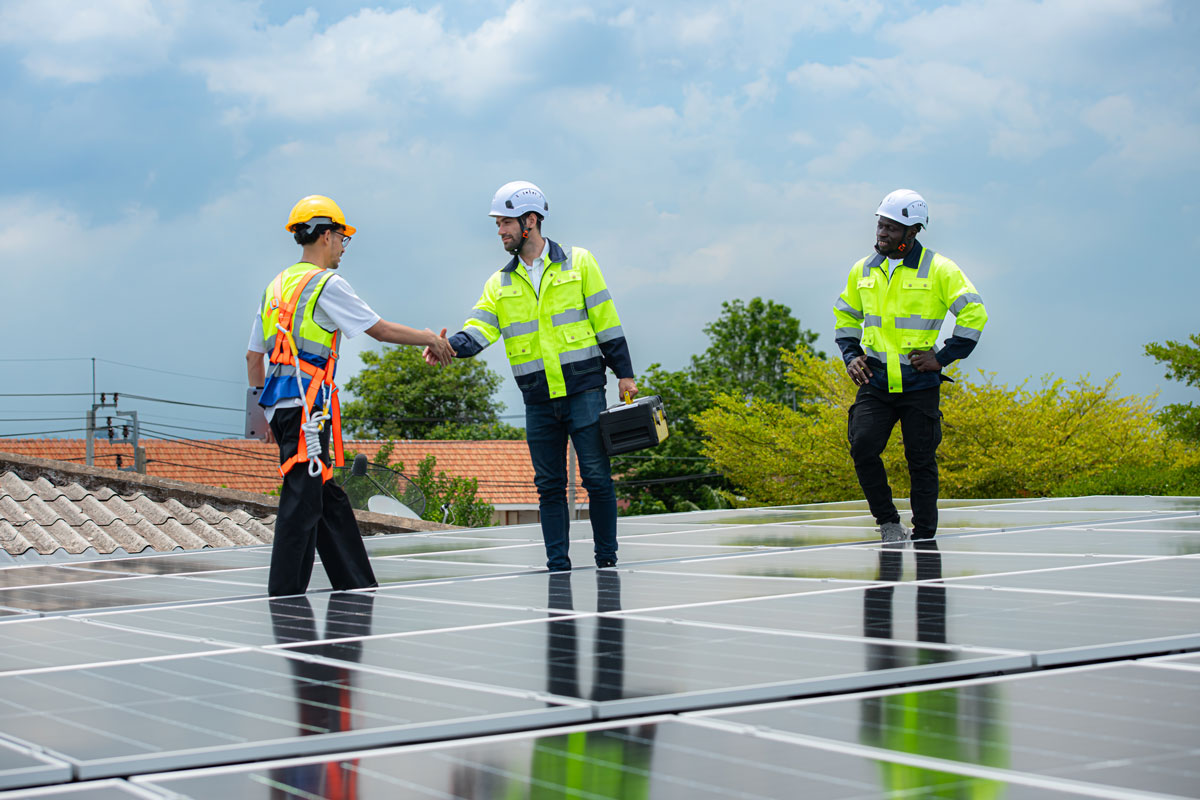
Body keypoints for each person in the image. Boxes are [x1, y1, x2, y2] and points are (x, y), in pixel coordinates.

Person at [247, 194, 455, 596]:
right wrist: (428, 337)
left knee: (325, 493)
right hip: (308, 410)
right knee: (301, 501)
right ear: (326, 235)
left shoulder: (275, 287)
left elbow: (254, 357)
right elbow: (379, 329)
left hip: (285, 407)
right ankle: (284, 597)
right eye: (342, 238)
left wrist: (262, 417)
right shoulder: (325, 283)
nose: (343, 247)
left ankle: (356, 583)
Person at [427, 181, 637, 571]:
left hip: (585, 390)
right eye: (498, 225)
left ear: (531, 220)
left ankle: (606, 560)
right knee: (549, 487)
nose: (501, 232)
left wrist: (624, 374)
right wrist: (448, 346)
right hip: (538, 400)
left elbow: (606, 320)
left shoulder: (579, 262)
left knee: (596, 477)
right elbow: (479, 329)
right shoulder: (500, 283)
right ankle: (558, 565)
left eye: (505, 223)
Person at [833, 190, 987, 542]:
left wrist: (943, 357)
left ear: (912, 232)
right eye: (880, 225)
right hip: (876, 380)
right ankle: (888, 522)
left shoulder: (940, 269)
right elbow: (844, 315)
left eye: (890, 228)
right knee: (863, 446)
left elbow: (974, 313)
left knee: (920, 460)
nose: (881, 234)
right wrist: (851, 354)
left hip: (919, 383)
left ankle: (924, 536)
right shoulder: (863, 270)